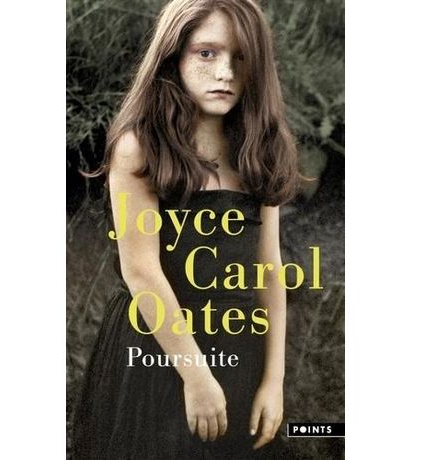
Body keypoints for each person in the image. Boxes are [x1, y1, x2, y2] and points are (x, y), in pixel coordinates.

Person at [72, 0, 298, 458]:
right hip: (158, 351)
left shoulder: (261, 147)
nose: (225, 73)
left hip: (239, 348)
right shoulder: (141, 146)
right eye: (206, 53)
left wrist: (273, 381)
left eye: (240, 57)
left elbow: (269, 269)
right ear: (173, 56)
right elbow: (141, 271)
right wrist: (195, 376)